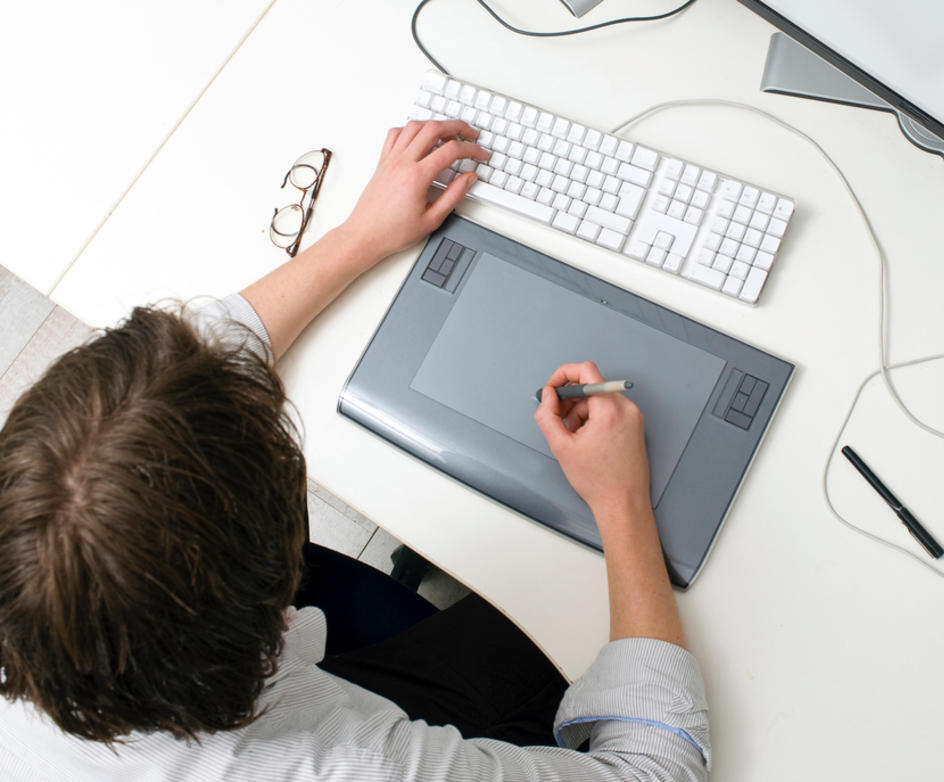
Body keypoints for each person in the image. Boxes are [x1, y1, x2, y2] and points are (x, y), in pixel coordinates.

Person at [0, 119, 710, 780]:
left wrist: (360, 235)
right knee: (543, 634)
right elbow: (655, 768)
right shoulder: (342, 764)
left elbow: (184, 365)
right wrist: (621, 502)